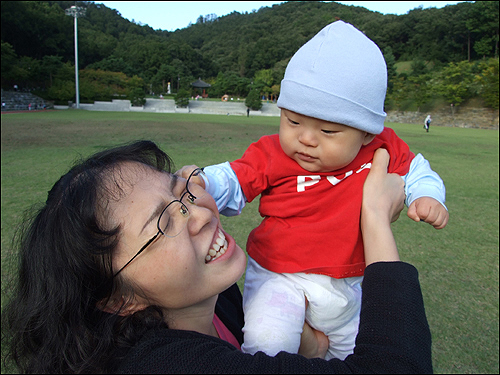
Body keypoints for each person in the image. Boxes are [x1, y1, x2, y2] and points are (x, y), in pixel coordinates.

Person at [1, 140, 433, 373]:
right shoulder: (163, 364)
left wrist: (305, 348)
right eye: (162, 225)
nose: (201, 214)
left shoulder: (216, 301)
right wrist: (372, 218)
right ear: (118, 300)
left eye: (181, 189)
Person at [178, 21, 449, 360]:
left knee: (355, 357)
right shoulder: (272, 152)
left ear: (366, 133)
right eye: (293, 121)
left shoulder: (381, 148)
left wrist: (426, 196)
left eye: (327, 130)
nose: (305, 139)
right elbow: (234, 177)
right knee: (268, 345)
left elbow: (417, 170)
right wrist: (204, 182)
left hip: (348, 284)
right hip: (278, 276)